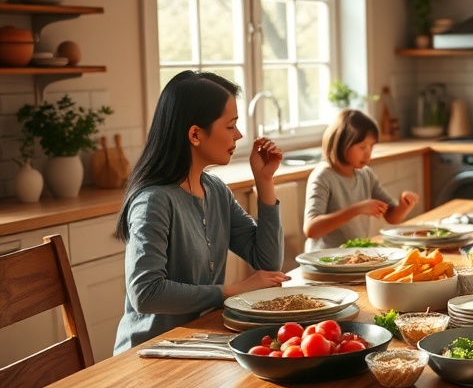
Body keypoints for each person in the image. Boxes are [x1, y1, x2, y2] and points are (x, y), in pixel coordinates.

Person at [113, 71, 288, 353]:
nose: (239, 135)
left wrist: (264, 181)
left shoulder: (215, 190)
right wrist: (231, 290)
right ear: (195, 134)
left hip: (198, 342)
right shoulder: (154, 201)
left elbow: (267, 263)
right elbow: (146, 294)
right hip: (150, 353)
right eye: (230, 126)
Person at [303, 109, 419, 250]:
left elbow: (391, 217)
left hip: (354, 257)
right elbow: (311, 229)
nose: (368, 153)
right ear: (343, 142)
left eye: (371, 146)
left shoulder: (365, 174)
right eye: (362, 146)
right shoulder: (323, 176)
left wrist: (404, 205)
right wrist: (356, 210)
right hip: (324, 260)